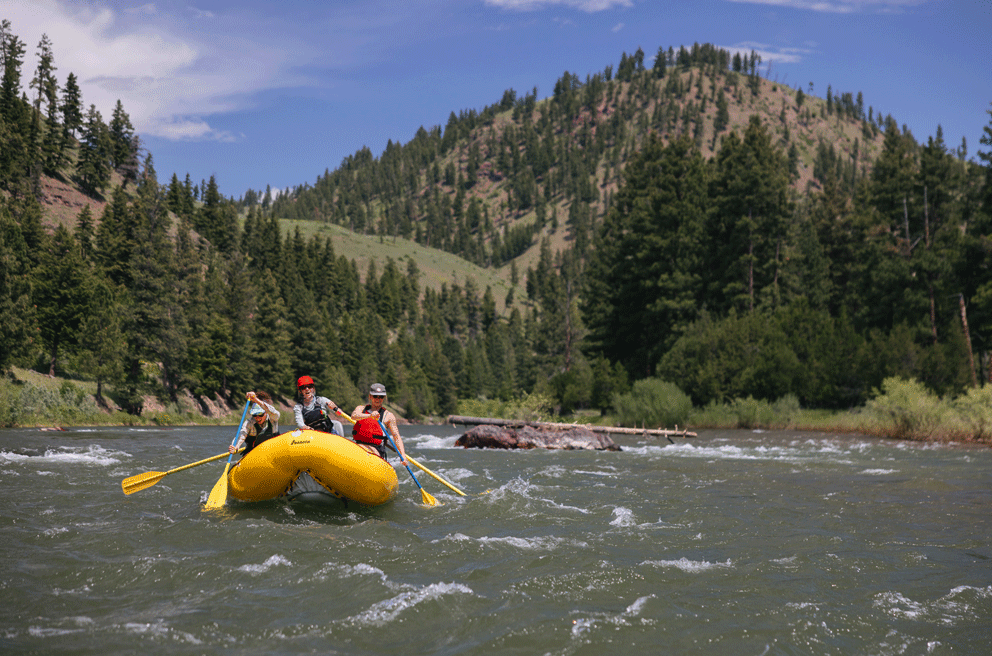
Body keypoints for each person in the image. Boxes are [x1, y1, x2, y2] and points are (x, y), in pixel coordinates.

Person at [350, 383, 407, 464]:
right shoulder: (360, 409)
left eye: (381, 397)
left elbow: (396, 436)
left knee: (368, 450)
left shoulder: (388, 416)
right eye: (375, 396)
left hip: (376, 449)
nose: (378, 399)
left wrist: (403, 456)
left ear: (384, 398)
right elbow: (354, 416)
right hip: (359, 445)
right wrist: (370, 415)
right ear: (370, 396)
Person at [229, 391, 280, 455]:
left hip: (273, 451)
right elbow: (242, 434)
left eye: (260, 414)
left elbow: (273, 411)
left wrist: (255, 399)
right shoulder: (249, 422)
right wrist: (235, 447)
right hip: (253, 453)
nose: (257, 418)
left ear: (266, 412)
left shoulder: (273, 418)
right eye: (255, 415)